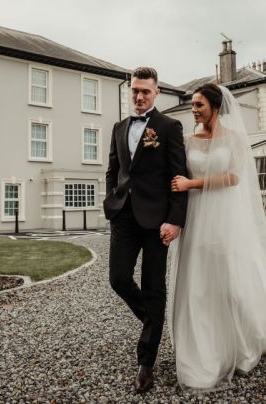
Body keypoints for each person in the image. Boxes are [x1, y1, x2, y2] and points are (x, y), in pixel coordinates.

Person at [168, 83, 266, 391]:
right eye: (192, 105)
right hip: (196, 218)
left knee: (229, 282)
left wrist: (191, 183)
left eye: (198, 105)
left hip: (225, 219)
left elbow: (234, 177)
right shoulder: (186, 140)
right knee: (198, 283)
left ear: (214, 106)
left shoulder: (235, 138)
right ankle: (203, 351)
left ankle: (239, 344)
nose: (194, 110)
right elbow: (172, 176)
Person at [103, 67, 188, 393]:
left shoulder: (169, 127)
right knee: (118, 278)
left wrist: (175, 220)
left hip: (157, 221)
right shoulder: (118, 127)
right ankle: (153, 321)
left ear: (157, 94)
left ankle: (146, 364)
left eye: (146, 92)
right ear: (131, 91)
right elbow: (114, 169)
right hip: (123, 215)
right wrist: (111, 201)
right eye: (135, 91)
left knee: (154, 288)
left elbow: (178, 176)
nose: (139, 96)